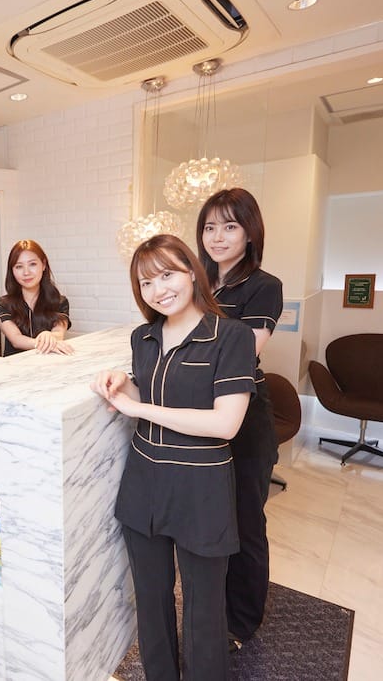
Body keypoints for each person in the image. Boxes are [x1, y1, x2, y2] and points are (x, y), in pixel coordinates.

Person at [91, 234, 256, 681]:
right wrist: (122, 383)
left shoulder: (231, 336)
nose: (158, 289)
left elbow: (226, 423)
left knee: (204, 610)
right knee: (151, 598)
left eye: (167, 275)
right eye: (146, 283)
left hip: (201, 487)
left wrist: (139, 409)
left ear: (192, 273)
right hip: (144, 482)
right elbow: (153, 390)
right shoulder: (143, 337)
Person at [196, 188, 284, 653]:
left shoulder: (263, 286)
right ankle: (212, 608)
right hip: (201, 412)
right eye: (210, 227)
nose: (218, 237)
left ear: (250, 233)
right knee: (211, 519)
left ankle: (242, 621)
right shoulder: (196, 283)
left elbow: (243, 353)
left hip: (245, 415)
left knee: (246, 520)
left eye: (230, 226)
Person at [0, 239, 73, 356]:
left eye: (32, 264)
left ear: (43, 265)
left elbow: (58, 333)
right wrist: (44, 342)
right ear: (12, 271)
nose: (26, 272)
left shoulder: (60, 302)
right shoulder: (2, 304)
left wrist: (50, 336)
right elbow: (16, 339)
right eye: (19, 266)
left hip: (50, 364)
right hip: (16, 365)